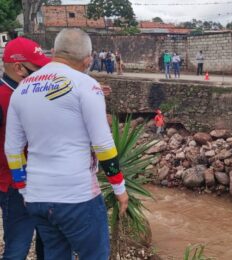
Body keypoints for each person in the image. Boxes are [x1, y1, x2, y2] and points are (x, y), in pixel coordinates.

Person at [5, 28, 128, 259]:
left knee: (55, 254)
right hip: (77, 196)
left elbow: (12, 149)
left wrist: (23, 189)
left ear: (54, 52)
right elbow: (102, 144)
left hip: (37, 198)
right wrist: (119, 188)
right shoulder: (87, 85)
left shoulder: (22, 89)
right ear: (88, 59)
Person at [0, 37, 50, 260]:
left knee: (48, 241)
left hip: (39, 182)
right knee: (17, 248)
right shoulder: (4, 97)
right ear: (19, 67)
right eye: (37, 69)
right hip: (14, 185)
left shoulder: (28, 93)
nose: (42, 74)